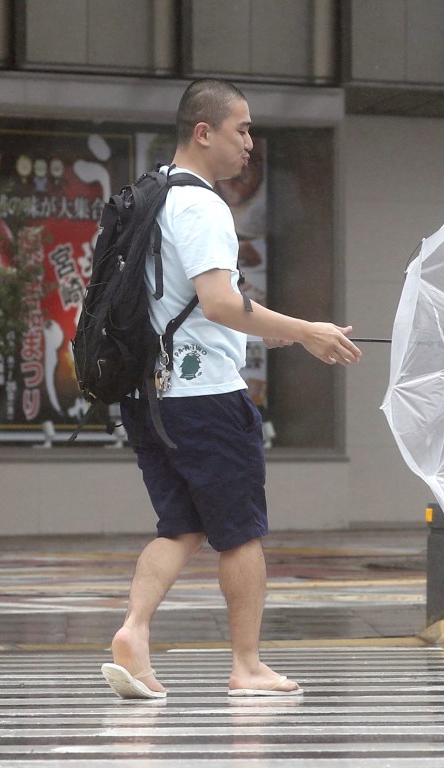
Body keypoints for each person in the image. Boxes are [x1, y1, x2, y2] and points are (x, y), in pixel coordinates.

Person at [101, 79, 362, 700]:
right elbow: (219, 303)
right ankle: (247, 665)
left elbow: (190, 305)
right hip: (205, 399)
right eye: (241, 129)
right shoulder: (204, 207)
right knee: (240, 532)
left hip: (149, 393)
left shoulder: (152, 196)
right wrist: (306, 333)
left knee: (181, 525)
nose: (250, 143)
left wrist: (261, 332)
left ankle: (133, 633)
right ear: (203, 132)